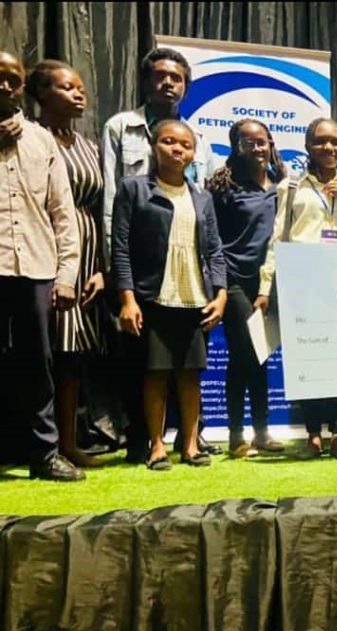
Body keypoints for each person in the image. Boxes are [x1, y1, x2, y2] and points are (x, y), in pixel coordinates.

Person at [102, 46, 218, 462]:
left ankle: (190, 441)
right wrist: (121, 286)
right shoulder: (122, 130)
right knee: (149, 370)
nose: (177, 150)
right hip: (148, 283)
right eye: (161, 76)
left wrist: (219, 291)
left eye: (177, 78)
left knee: (189, 372)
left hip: (192, 291)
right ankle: (150, 444)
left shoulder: (201, 147)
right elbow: (112, 211)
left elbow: (212, 241)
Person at [259, 117, 337, 460]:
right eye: (321, 141)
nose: (329, 147)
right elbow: (278, 239)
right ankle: (313, 435)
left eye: (335, 142)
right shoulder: (291, 187)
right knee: (309, 360)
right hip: (302, 285)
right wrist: (265, 288)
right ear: (308, 146)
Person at [0, 51, 83, 481]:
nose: (4, 87)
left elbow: (63, 212)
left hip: (34, 266)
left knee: (38, 364)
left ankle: (44, 454)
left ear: (23, 88)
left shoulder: (41, 140)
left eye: (12, 80)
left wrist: (66, 275)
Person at [26, 60, 107, 467]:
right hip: (46, 254)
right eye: (66, 87)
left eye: (81, 88)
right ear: (41, 94)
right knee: (46, 354)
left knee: (74, 355)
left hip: (87, 260)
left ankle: (69, 443)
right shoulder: (30, 138)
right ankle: (43, 445)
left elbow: (102, 208)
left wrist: (100, 268)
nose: (78, 94)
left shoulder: (89, 146)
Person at [208, 118, 288, 459]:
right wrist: (219, 284)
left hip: (270, 283)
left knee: (261, 355)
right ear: (236, 147)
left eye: (262, 141)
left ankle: (261, 432)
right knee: (243, 354)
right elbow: (212, 239)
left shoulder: (283, 186)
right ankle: (235, 436)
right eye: (249, 142)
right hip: (235, 282)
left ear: (270, 144)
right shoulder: (224, 187)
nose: (257, 147)